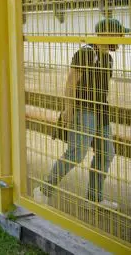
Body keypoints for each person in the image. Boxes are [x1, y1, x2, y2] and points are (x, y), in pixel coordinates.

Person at [35, 18, 127, 210]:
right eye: (119, 35)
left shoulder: (107, 58)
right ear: (107, 35)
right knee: (76, 154)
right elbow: (71, 83)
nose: (122, 38)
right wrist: (68, 110)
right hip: (84, 111)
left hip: (101, 111)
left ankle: (93, 199)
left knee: (106, 153)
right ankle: (43, 190)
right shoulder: (86, 53)